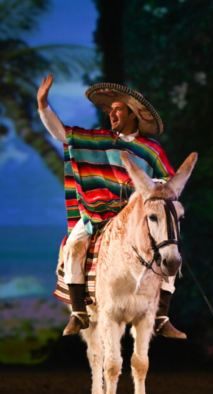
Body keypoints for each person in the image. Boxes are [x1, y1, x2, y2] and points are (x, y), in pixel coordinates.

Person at [37, 74, 186, 339]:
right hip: (97, 213)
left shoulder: (150, 150)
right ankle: (79, 312)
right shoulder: (97, 140)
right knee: (73, 245)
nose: (112, 115)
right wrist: (43, 105)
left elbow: (166, 185)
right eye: (110, 111)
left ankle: (162, 316)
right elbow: (62, 133)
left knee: (168, 246)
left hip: (135, 217)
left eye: (118, 110)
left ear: (133, 115)